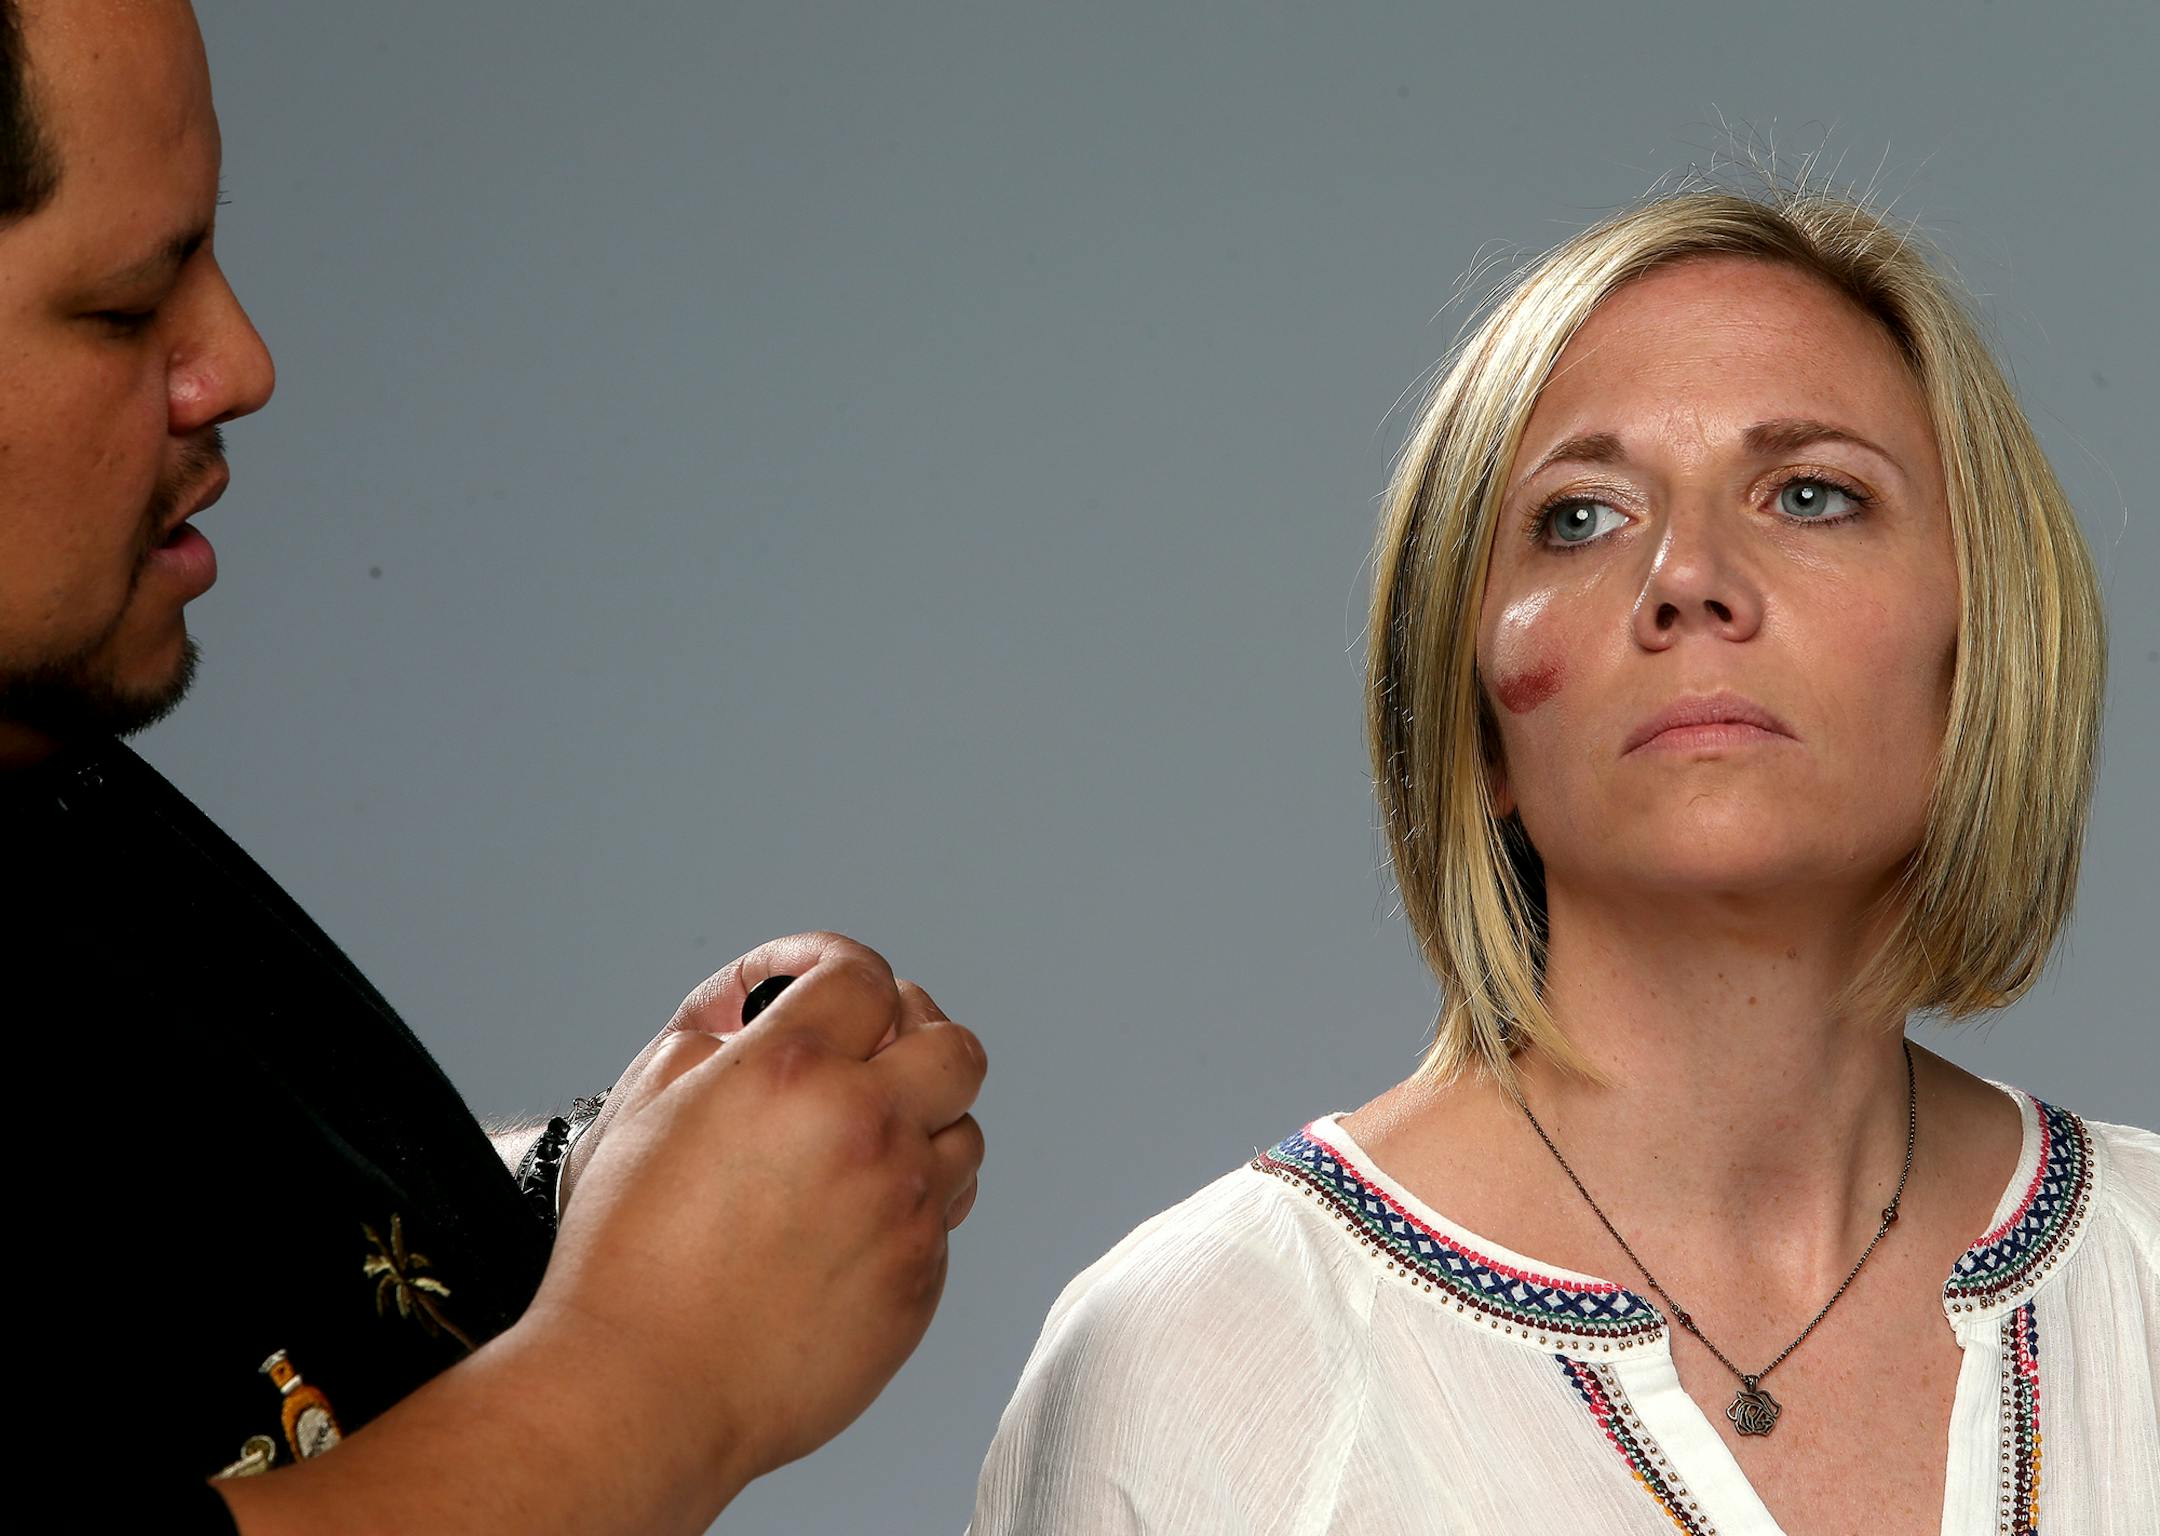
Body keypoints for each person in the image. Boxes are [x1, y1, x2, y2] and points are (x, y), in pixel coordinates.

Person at [970, 185, 2158, 1534]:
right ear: (1473, 717)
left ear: (1985, 644)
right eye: (1581, 517)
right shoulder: (1204, 1355)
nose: (1690, 575)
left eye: (1814, 495)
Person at [1, 3, 985, 1531]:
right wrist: (651, 1372)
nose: (239, 364)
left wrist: (616, 1188)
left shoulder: (48, 774)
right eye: (130, 309)